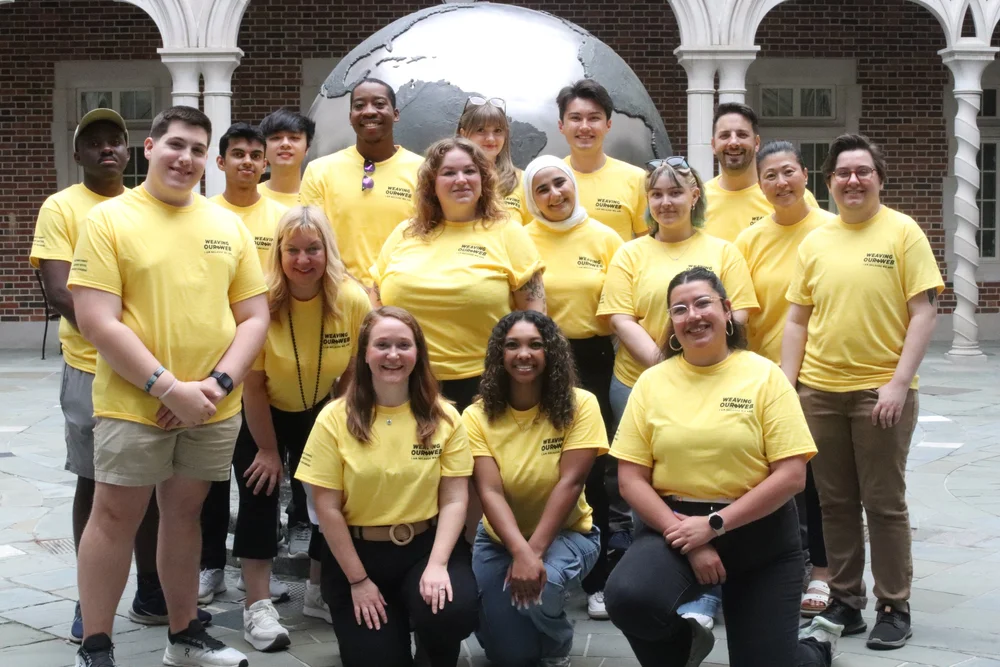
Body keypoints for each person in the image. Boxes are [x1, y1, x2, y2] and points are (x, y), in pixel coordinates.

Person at [68, 106, 269, 667]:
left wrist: (215, 385)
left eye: (198, 150)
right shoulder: (109, 220)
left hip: (210, 406)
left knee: (185, 515)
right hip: (136, 404)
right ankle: (96, 646)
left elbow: (254, 317)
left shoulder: (226, 225)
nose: (186, 158)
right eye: (176, 145)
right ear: (151, 147)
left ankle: (183, 638)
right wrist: (167, 388)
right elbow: (96, 320)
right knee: (115, 518)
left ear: (208, 160)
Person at [29, 108, 212, 641]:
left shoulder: (155, 204)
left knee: (153, 483)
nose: (107, 148)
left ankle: (151, 589)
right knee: (97, 481)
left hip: (160, 371)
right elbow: (62, 292)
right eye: (94, 142)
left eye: (115, 140)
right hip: (93, 367)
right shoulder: (63, 207)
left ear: (131, 149)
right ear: (78, 153)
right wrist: (127, 347)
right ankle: (90, 603)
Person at [603, 266, 817, 667]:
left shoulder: (765, 377)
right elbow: (630, 480)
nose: (693, 316)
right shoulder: (652, 383)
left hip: (760, 534)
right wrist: (692, 537)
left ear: (727, 310)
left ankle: (812, 651)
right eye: (680, 309)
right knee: (629, 599)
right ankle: (685, 647)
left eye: (703, 303)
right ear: (672, 323)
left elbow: (792, 475)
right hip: (675, 529)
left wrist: (715, 525)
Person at [783, 134, 944, 651]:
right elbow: (797, 319)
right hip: (820, 392)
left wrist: (897, 383)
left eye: (863, 171)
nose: (853, 180)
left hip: (881, 393)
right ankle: (845, 601)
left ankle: (894, 605)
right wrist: (789, 385)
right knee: (833, 503)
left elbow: (924, 312)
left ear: (879, 178)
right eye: (843, 173)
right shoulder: (816, 242)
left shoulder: (903, 232)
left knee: (883, 503)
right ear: (829, 182)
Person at [597, 157, 758, 604]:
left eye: (675, 192)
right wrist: (664, 364)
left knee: (708, 471)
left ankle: (713, 582)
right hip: (638, 382)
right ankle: (653, 574)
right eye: (657, 194)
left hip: (714, 382)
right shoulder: (630, 253)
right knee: (641, 482)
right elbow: (619, 316)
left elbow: (740, 311)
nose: (666, 202)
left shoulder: (723, 252)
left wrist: (693, 361)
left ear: (694, 196)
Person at [295, 306, 479, 667]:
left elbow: (455, 498)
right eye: (382, 345)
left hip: (426, 548)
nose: (393, 355)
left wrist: (438, 564)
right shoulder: (334, 418)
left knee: (451, 612)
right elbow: (327, 509)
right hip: (357, 554)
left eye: (403, 345)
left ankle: (431, 646)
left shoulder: (445, 416)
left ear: (418, 353)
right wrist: (358, 581)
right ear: (365, 353)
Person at [466, 311, 606, 667]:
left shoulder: (581, 404)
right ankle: (520, 625)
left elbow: (571, 482)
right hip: (498, 541)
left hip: (568, 534)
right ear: (499, 354)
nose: (523, 354)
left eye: (535, 345)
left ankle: (557, 640)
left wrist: (533, 554)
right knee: (509, 656)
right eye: (512, 345)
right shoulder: (476, 415)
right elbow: (489, 491)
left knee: (545, 588)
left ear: (551, 352)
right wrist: (520, 552)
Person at [734, 141, 836, 617]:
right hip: (764, 378)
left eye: (788, 172)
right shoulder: (749, 241)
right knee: (767, 477)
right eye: (770, 176)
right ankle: (773, 566)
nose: (781, 183)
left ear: (805, 174)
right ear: (760, 185)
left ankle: (823, 571)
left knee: (816, 481)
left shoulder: (832, 230)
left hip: (818, 375)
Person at [371, 137, 545, 412]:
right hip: (404, 382)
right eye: (449, 173)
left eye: (469, 171)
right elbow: (375, 299)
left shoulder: (508, 232)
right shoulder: (404, 233)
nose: (461, 180)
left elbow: (535, 314)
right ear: (432, 183)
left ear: (483, 178)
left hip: (485, 386)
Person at [521, 155, 621, 620]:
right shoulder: (521, 238)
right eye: (541, 189)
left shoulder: (605, 238)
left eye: (559, 183)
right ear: (530, 197)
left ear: (573, 184)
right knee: (538, 466)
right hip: (537, 360)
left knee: (591, 472)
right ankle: (536, 565)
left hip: (594, 361)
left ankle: (598, 580)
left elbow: (620, 309)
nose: (554, 194)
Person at [301, 78, 423, 285]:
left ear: (395, 114)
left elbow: (428, 239)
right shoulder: (320, 171)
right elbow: (312, 240)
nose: (369, 111)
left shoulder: (423, 171)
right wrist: (354, 289)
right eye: (359, 106)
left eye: (379, 104)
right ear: (350, 117)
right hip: (340, 293)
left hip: (401, 293)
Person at [704, 103, 819, 243]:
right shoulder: (697, 201)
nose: (733, 142)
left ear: (757, 143)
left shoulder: (793, 195)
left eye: (742, 135)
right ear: (713, 145)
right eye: (725, 136)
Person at [557, 79, 647, 242]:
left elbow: (648, 244)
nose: (584, 127)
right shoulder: (546, 180)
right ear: (561, 126)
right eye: (576, 118)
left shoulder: (637, 179)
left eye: (594, 118)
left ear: (608, 125)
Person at [209, 122, 289, 271]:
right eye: (238, 154)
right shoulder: (205, 213)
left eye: (255, 156)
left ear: (264, 165)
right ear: (221, 162)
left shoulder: (283, 218)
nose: (247, 161)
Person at [456, 95, 530, 224]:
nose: (490, 138)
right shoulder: (448, 180)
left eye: (498, 130)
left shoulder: (523, 181)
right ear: (463, 134)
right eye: (481, 130)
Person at [258, 108, 315, 208]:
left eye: (294, 138)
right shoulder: (248, 196)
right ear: (263, 147)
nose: (285, 144)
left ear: (307, 148)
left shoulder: (318, 198)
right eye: (276, 138)